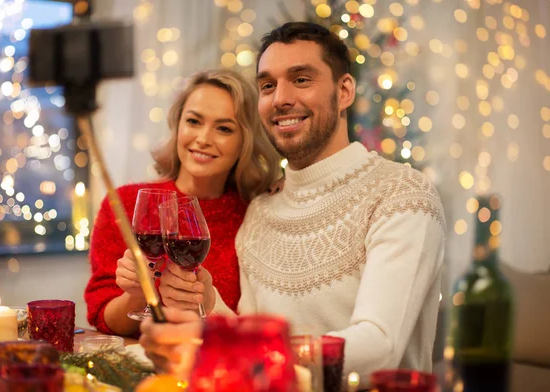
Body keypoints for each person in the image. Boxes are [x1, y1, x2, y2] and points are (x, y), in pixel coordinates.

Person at [140, 21, 446, 388]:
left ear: (344, 90)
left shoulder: (402, 194)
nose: (280, 98)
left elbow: (379, 345)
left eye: (301, 79)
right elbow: (249, 332)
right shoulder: (262, 211)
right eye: (268, 85)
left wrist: (238, 352)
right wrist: (208, 301)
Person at [84, 69, 282, 337]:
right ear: (178, 126)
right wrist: (138, 296)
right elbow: (102, 317)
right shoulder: (126, 204)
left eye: (224, 128)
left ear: (244, 142)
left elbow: (260, 325)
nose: (203, 138)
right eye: (194, 121)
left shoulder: (257, 213)